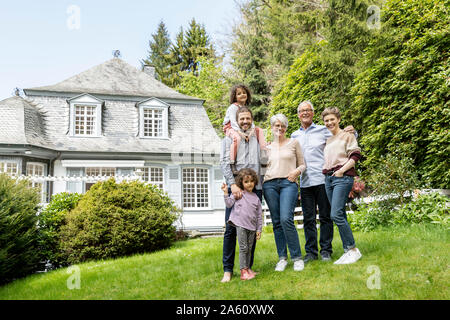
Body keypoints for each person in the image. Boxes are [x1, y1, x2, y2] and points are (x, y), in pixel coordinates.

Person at [291, 100, 356, 263]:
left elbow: (341, 136)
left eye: (308, 110)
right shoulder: (294, 136)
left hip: (323, 180)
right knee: (308, 219)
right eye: (301, 111)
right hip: (305, 182)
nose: (305, 113)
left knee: (326, 217)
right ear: (298, 115)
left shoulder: (323, 130)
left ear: (313, 113)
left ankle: (326, 250)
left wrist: (353, 132)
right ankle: (311, 252)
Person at [219, 106, 264, 282]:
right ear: (237, 120)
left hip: (254, 188)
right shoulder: (229, 139)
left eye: (248, 118)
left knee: (251, 229)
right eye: (242, 118)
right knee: (231, 230)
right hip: (236, 188)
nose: (245, 121)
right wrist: (232, 184)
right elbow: (224, 163)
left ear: (252, 119)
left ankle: (247, 268)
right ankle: (228, 270)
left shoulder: (257, 136)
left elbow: (264, 160)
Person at [263, 113, 306, 272]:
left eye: (282, 126)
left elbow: (302, 165)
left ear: (286, 128)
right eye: (276, 125)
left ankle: (297, 258)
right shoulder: (266, 147)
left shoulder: (294, 143)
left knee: (286, 219)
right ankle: (282, 258)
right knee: (276, 222)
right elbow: (261, 168)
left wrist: (296, 172)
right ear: (272, 127)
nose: (279, 128)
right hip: (270, 185)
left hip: (289, 183)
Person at [321, 107, 362, 265]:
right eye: (326, 121)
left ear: (338, 119)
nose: (329, 123)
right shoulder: (329, 140)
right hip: (329, 179)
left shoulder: (348, 135)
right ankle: (347, 250)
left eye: (332, 119)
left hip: (342, 177)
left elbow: (355, 155)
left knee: (335, 214)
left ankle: (353, 249)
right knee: (340, 214)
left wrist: (341, 171)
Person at [222, 168, 263, 281]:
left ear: (254, 181)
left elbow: (259, 215)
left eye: (251, 181)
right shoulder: (239, 194)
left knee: (249, 248)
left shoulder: (256, 198)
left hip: (252, 227)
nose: (249, 184)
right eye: (246, 182)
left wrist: (259, 229)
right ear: (241, 183)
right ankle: (243, 271)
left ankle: (248, 268)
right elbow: (229, 204)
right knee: (243, 248)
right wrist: (226, 193)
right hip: (240, 225)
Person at [223, 84, 265, 165]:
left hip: (241, 127)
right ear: (235, 97)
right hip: (230, 127)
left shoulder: (244, 107)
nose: (242, 94)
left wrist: (252, 131)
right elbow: (233, 122)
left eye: (244, 92)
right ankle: (232, 161)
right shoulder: (233, 107)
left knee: (259, 130)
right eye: (239, 94)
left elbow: (251, 121)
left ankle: (263, 153)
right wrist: (241, 133)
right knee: (237, 139)